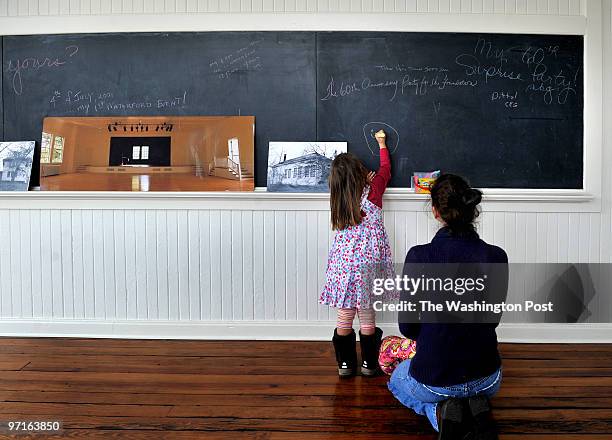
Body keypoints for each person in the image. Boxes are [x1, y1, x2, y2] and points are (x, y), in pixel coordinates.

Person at [388, 174, 508, 440]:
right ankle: (476, 412)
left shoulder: (419, 256)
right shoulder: (496, 256)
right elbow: (492, 321)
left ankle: (441, 416)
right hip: (487, 379)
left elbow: (407, 327)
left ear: (435, 211)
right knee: (470, 382)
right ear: (472, 209)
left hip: (436, 380)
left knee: (397, 378)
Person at [319, 130, 394, 377]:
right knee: (367, 315)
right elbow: (386, 170)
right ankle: (370, 365)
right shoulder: (373, 192)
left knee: (345, 316)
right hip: (368, 267)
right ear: (361, 174)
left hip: (343, 268)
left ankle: (345, 365)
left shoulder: (338, 200)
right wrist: (382, 144)